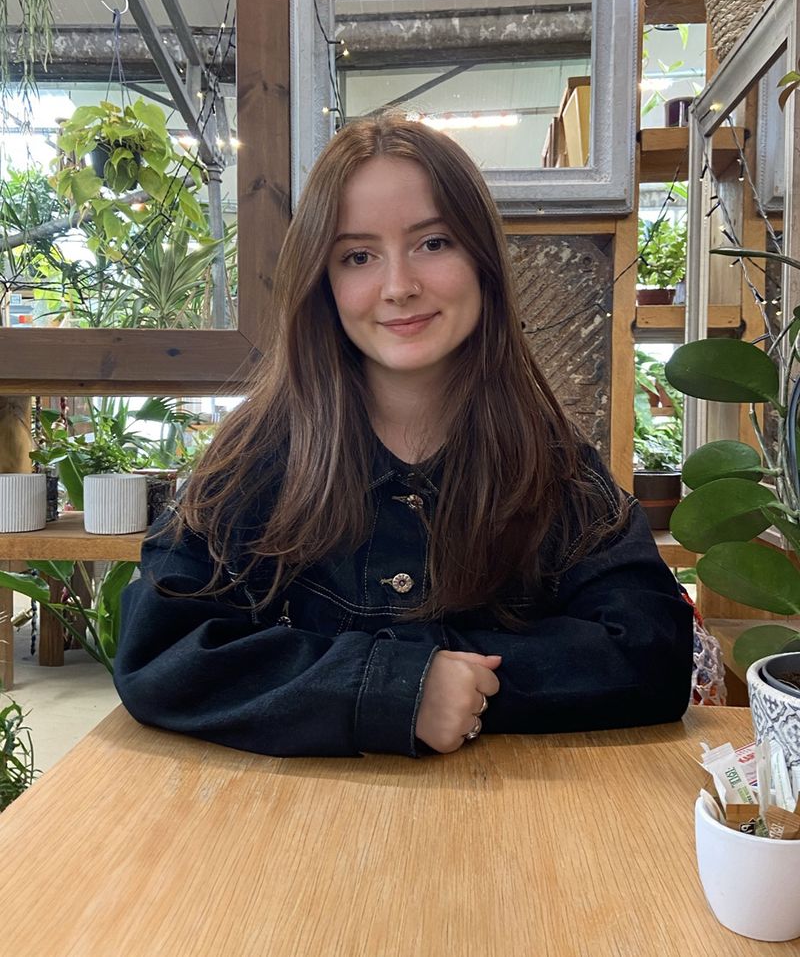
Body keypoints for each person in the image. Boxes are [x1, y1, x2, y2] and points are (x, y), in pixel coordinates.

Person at [114, 114, 693, 758]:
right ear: (323, 284)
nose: (399, 287)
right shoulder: (255, 459)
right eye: (358, 256)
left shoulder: (552, 464)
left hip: (514, 829)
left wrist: (450, 687)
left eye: (433, 242)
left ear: (482, 260)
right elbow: (161, 653)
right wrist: (397, 688)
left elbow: (653, 652)